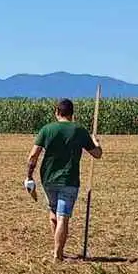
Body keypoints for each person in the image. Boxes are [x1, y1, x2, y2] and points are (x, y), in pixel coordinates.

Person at [26, 98, 103, 261]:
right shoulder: (79, 130)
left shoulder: (46, 130)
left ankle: (57, 250)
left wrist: (29, 176)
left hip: (48, 179)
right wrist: (96, 143)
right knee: (63, 217)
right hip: (69, 180)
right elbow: (97, 154)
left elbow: (33, 156)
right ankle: (58, 254)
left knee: (53, 213)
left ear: (57, 112)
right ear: (72, 114)